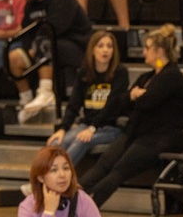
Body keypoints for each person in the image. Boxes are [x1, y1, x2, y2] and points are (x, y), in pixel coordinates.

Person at [78, 25, 183, 207]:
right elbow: (122, 103)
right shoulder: (147, 77)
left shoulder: (172, 76)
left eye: (147, 48)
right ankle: (67, 199)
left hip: (158, 138)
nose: (144, 52)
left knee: (119, 169)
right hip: (135, 133)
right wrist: (132, 95)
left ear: (158, 51)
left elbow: (147, 103)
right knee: (104, 163)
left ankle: (87, 208)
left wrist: (137, 97)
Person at [14, 0, 92, 122]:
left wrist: (35, 46)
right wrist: (28, 47)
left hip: (76, 45)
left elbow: (55, 28)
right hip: (46, 46)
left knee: (44, 42)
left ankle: (46, 92)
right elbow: (26, 30)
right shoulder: (31, 4)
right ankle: (27, 100)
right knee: (14, 57)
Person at [48, 30, 129, 165]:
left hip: (111, 127)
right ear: (92, 50)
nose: (105, 50)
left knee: (82, 140)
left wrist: (92, 128)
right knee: (57, 142)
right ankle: (44, 181)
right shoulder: (84, 73)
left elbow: (112, 105)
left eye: (109, 46)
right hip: (86, 124)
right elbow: (74, 104)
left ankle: (58, 178)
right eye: (101, 46)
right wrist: (63, 128)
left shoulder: (120, 73)